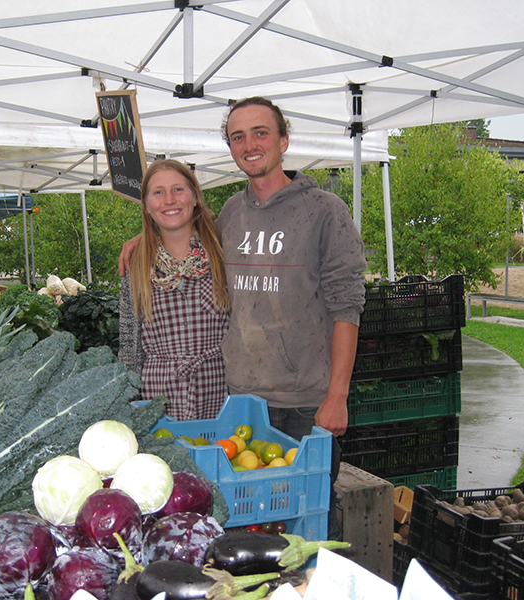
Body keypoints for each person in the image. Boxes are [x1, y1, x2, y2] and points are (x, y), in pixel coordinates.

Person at [120, 97, 367, 540]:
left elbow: (347, 304)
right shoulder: (230, 215)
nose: (249, 144)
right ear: (230, 147)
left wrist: (338, 395)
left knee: (303, 520)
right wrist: (145, 232)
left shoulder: (324, 210)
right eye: (238, 136)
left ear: (283, 139)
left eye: (260, 133)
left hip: (305, 401)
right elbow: (179, 224)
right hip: (237, 402)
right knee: (245, 521)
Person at [118, 159, 230, 421]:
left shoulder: (224, 250)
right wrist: (129, 408)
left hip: (220, 389)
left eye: (178, 190)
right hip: (158, 397)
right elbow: (129, 347)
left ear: (194, 197)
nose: (169, 200)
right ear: (146, 205)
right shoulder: (136, 263)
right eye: (158, 192)